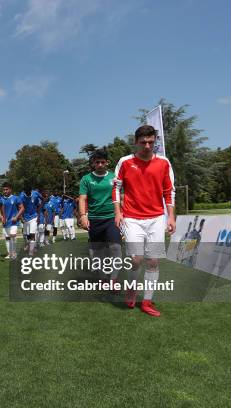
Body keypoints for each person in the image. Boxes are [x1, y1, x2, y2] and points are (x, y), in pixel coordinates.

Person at [113, 125, 176, 317]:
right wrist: (118, 212)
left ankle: (147, 301)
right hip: (131, 218)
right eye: (143, 142)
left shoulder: (164, 163)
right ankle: (131, 288)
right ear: (136, 142)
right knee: (136, 259)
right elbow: (116, 188)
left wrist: (171, 216)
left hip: (157, 218)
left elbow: (169, 191)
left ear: (155, 141)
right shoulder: (125, 162)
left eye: (151, 141)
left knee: (153, 261)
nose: (147, 146)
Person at [79, 149, 122, 283]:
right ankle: (103, 278)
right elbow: (82, 199)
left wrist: (121, 214)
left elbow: (122, 197)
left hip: (111, 218)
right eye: (97, 162)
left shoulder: (114, 177)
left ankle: (113, 279)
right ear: (93, 163)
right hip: (95, 219)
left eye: (103, 162)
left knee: (116, 247)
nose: (100, 165)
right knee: (98, 252)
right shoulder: (86, 179)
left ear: (107, 163)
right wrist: (83, 216)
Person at [0, 182, 24, 260]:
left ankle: (14, 253)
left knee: (12, 235)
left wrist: (16, 217)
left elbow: (22, 208)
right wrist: (2, 218)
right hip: (5, 223)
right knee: (7, 238)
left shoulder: (16, 198)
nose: (5, 191)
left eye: (6, 189)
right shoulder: (1, 199)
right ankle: (9, 253)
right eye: (3, 190)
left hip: (13, 222)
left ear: (10, 189)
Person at [19, 185, 42, 256]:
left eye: (29, 192)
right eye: (26, 192)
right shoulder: (21, 196)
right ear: (24, 191)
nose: (28, 193)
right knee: (26, 235)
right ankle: (28, 245)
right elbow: (19, 207)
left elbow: (40, 203)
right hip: (25, 218)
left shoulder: (35, 194)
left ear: (31, 191)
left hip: (34, 217)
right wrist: (21, 217)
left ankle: (31, 251)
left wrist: (38, 216)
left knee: (32, 234)